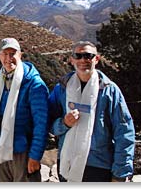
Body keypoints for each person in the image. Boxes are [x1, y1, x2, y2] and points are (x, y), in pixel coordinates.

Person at [48, 41, 135, 182]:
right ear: (72, 59)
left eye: (88, 56)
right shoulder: (62, 89)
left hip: (98, 166)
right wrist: (63, 123)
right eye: (78, 55)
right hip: (66, 163)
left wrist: (120, 173)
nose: (83, 60)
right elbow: (49, 122)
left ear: (96, 59)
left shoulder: (109, 91)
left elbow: (124, 132)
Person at [0, 38, 49, 182]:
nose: (9, 58)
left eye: (12, 53)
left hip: (23, 152)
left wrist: (35, 155)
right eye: (5, 54)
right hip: (1, 149)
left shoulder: (33, 83)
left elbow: (42, 123)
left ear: (20, 55)